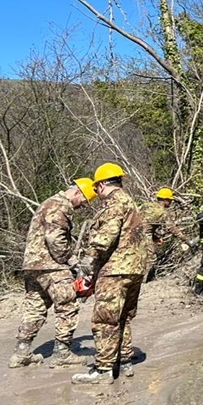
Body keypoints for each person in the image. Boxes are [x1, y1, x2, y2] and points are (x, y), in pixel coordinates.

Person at [71, 161, 148, 384]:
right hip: (134, 269)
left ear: (102, 184)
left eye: (96, 188)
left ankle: (103, 370)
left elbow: (106, 236)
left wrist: (88, 262)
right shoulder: (130, 202)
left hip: (116, 271)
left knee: (105, 320)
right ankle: (124, 362)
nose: (97, 193)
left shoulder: (114, 203)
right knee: (123, 318)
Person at [8, 177, 97, 369]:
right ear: (77, 192)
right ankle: (62, 353)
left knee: (35, 307)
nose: (82, 206)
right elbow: (55, 239)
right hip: (51, 265)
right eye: (84, 201)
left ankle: (21, 352)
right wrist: (73, 262)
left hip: (33, 265)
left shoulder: (48, 203)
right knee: (68, 304)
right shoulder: (60, 206)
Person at [121, 186, 196, 360]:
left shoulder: (146, 205)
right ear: (166, 200)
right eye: (170, 201)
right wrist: (187, 240)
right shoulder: (162, 212)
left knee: (138, 256)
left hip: (132, 234)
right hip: (143, 236)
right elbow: (172, 229)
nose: (170, 203)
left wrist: (154, 235)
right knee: (150, 258)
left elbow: (144, 221)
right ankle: (143, 281)